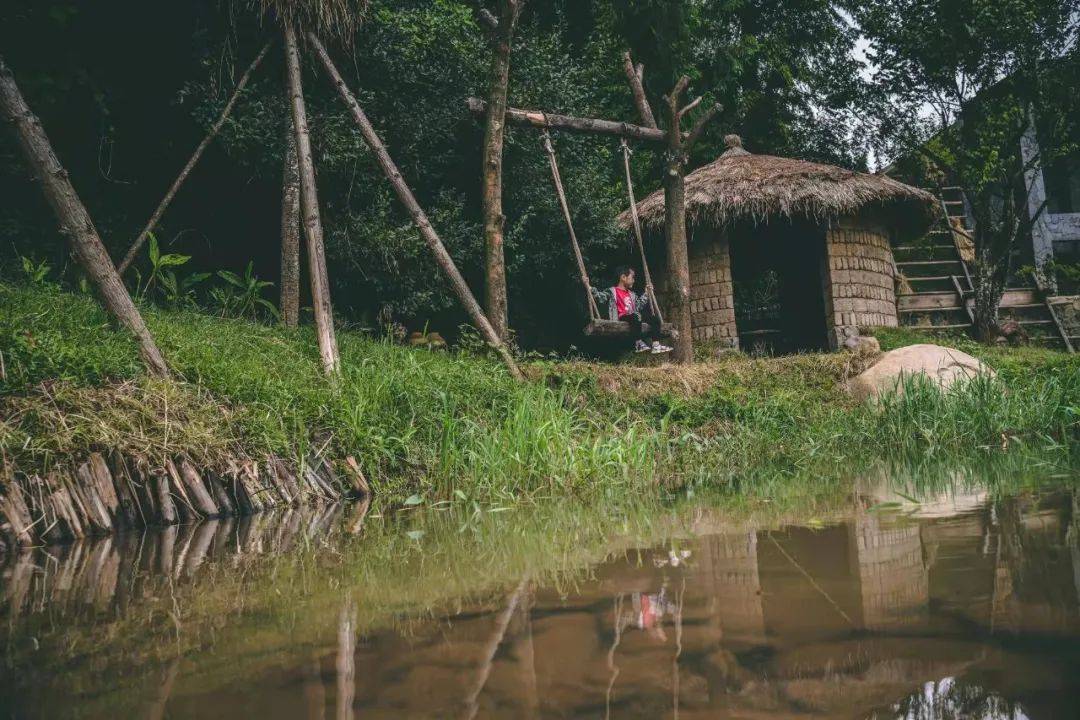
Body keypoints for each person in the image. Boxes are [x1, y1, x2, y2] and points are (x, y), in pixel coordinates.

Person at [591, 265, 672, 354]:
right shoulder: (612, 291)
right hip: (622, 317)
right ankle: (638, 343)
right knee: (635, 316)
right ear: (623, 277)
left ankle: (656, 345)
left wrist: (646, 293)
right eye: (632, 277)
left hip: (634, 317)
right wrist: (590, 288)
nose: (634, 280)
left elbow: (638, 306)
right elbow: (600, 297)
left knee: (654, 319)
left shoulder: (632, 294)